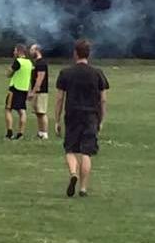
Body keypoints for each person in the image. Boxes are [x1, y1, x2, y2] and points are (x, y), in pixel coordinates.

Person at [54, 39, 109, 198]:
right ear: (89, 54)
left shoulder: (66, 73)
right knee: (86, 152)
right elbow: (103, 99)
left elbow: (59, 98)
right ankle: (83, 188)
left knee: (70, 149)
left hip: (72, 114)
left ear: (75, 53)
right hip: (91, 115)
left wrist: (57, 119)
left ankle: (73, 173)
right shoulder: (97, 73)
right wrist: (101, 118)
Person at [5, 44, 33, 140]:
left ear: (19, 51)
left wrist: (9, 70)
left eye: (15, 50)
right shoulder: (29, 63)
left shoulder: (18, 61)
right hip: (24, 89)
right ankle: (21, 133)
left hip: (15, 88)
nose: (14, 52)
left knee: (8, 109)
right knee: (22, 111)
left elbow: (9, 74)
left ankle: (9, 132)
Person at [29, 44, 50, 139]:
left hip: (41, 91)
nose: (30, 51)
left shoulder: (41, 63)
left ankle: (45, 133)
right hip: (37, 91)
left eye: (32, 49)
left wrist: (33, 91)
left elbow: (40, 78)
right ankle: (40, 132)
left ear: (37, 50)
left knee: (42, 112)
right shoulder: (36, 63)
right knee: (38, 112)